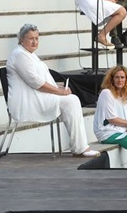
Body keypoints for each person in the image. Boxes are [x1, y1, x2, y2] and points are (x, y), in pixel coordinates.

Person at [7, 23, 100, 158]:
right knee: (71, 101)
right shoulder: (20, 55)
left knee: (71, 99)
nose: (34, 42)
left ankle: (80, 147)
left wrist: (59, 88)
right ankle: (80, 148)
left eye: (37, 38)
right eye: (31, 38)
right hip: (29, 100)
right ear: (22, 40)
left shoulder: (29, 54)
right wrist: (59, 92)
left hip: (39, 95)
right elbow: (35, 82)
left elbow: (41, 79)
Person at [94, 66, 127, 159]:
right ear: (112, 79)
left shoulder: (126, 95)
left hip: (123, 128)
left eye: (122, 77)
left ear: (126, 79)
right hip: (108, 132)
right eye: (116, 77)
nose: (120, 80)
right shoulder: (106, 93)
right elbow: (112, 119)